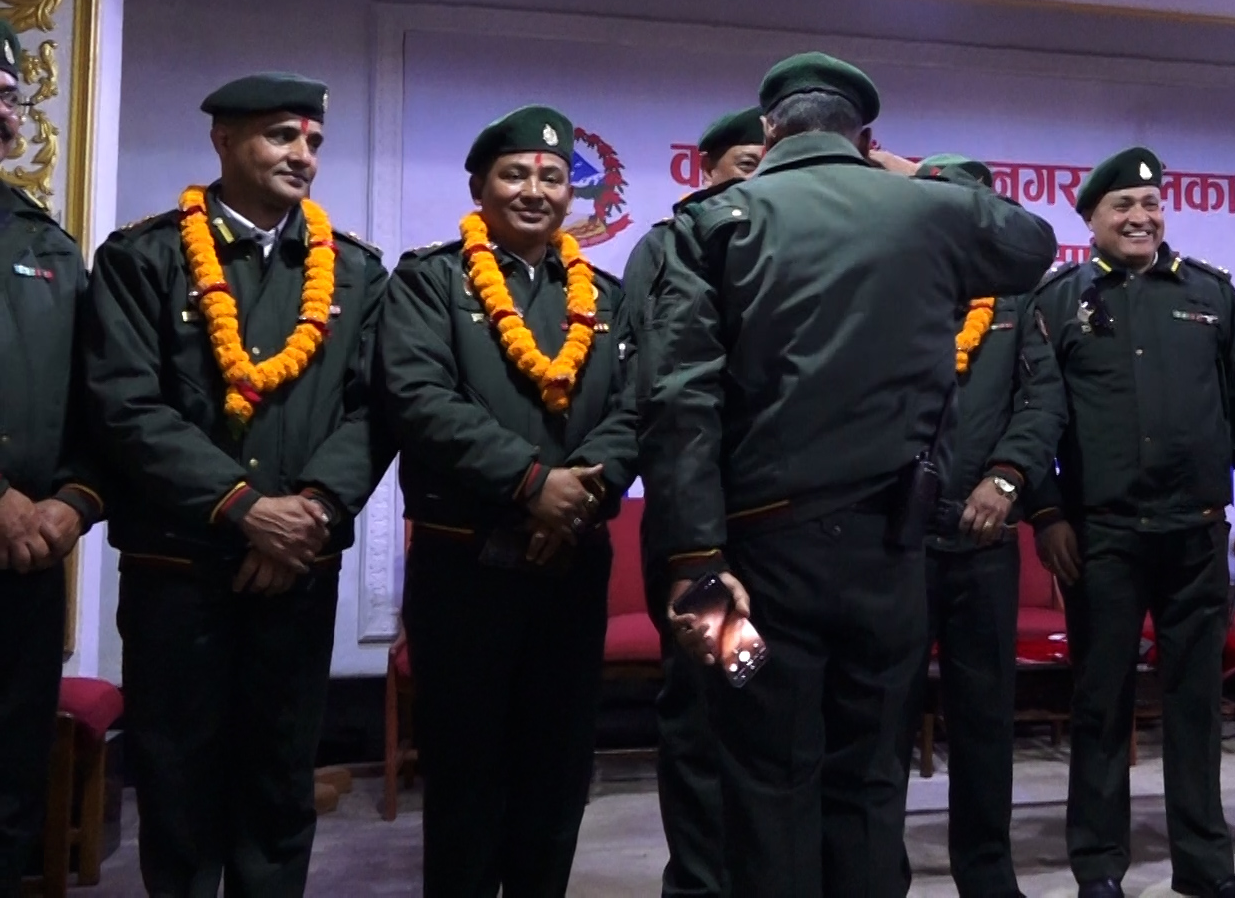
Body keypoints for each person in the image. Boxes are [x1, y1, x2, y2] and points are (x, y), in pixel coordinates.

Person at [642, 52, 1056, 898]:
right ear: (865, 137)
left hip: (745, 563)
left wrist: (693, 565)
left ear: (769, 131)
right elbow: (1032, 244)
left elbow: (678, 405)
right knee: (871, 777)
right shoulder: (928, 210)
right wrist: (919, 174)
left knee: (759, 775)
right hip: (891, 559)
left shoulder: (711, 224)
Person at [83, 72, 391, 896]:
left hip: (298, 570)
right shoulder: (143, 257)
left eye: (313, 142)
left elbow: (374, 410)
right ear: (222, 141)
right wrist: (247, 510)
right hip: (180, 571)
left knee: (280, 788)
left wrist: (312, 513)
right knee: (178, 789)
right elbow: (124, 406)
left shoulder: (356, 271)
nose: (303, 156)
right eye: (281, 136)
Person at [377, 104, 640, 897]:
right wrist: (533, 486)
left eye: (552, 177)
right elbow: (419, 398)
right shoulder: (429, 281)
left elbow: (636, 409)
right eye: (516, 173)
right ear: (479, 187)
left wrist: (579, 498)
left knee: (556, 778)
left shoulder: (609, 297)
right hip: (466, 566)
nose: (535, 190)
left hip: (572, 565)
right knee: (466, 780)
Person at [1024, 146, 1235, 898]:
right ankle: (1098, 865)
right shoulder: (1058, 301)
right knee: (1101, 703)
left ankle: (1205, 865)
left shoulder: (1213, 295)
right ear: (1090, 219)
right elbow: (1033, 416)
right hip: (1102, 537)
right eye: (1122, 205)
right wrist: (1047, 512)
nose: (1140, 217)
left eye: (1151, 205)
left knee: (1197, 706)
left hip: (1195, 533)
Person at [898, 154, 1068, 898]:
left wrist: (1006, 478)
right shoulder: (886, 287)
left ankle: (988, 875)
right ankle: (875, 871)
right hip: (895, 544)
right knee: (881, 716)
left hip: (983, 540)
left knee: (984, 719)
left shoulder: (1015, 300)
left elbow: (1043, 401)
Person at [620, 104, 765, 898]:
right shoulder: (669, 248)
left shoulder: (791, 248)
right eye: (744, 163)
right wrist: (693, 551)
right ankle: (703, 885)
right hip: (703, 529)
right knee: (711, 709)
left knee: (771, 716)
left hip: (786, 531)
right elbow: (664, 400)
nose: (758, 178)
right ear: (705, 170)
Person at [0, 20, 105, 898]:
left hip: (24, 562)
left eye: (8, 94)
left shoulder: (47, 247)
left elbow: (100, 402)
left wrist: (72, 502)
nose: (4, 110)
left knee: (9, 778)